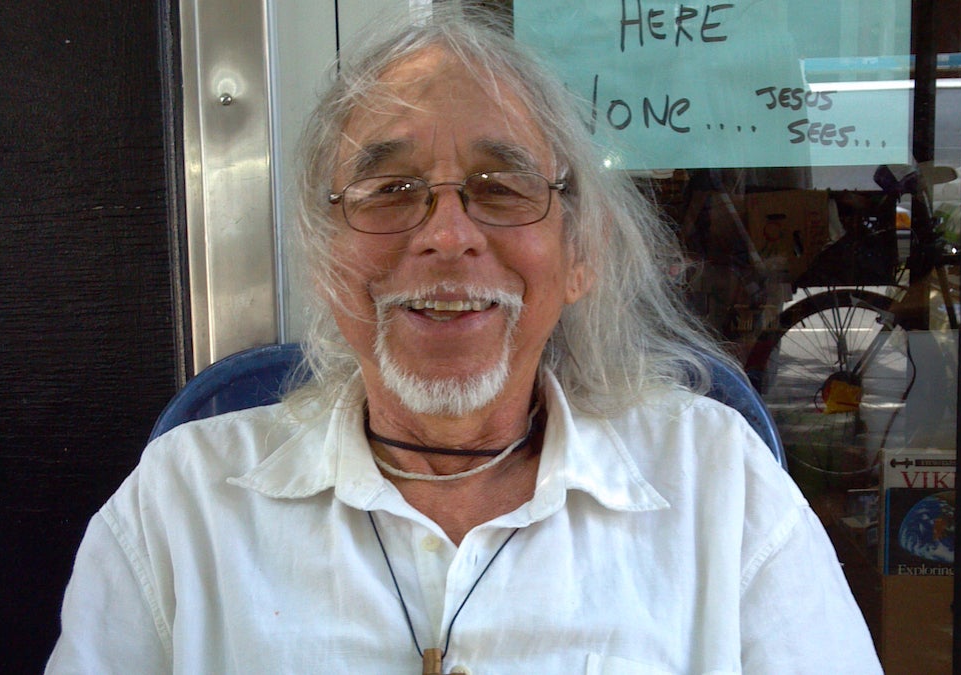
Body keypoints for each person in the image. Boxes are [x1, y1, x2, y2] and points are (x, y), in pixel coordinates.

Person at [48, 8, 881, 674]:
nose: (447, 235)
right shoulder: (183, 505)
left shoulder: (719, 490)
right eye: (389, 190)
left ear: (580, 252)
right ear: (323, 255)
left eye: (500, 186)